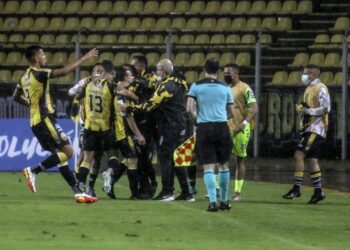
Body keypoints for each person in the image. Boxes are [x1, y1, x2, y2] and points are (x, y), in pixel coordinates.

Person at [13, 45, 98, 203]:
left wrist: (32, 106)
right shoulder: (40, 73)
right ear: (35, 59)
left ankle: (78, 192)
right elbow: (64, 71)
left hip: (35, 121)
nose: (45, 57)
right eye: (43, 55)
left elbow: (15, 97)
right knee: (68, 152)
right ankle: (33, 170)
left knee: (60, 157)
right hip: (45, 119)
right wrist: (85, 57)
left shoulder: (24, 77)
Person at [122, 59, 193, 201]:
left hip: (168, 126)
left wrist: (130, 108)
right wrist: (138, 81)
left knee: (164, 157)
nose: (156, 72)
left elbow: (150, 105)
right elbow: (152, 83)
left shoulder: (166, 86)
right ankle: (186, 192)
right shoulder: (180, 83)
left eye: (159, 69)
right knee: (177, 159)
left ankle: (167, 191)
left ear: (165, 71)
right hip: (181, 125)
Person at [187, 59, 235, 212]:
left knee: (208, 166)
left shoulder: (196, 86)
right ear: (218, 71)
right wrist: (222, 118)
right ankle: (225, 201)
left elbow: (189, 109)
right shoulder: (225, 87)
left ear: (204, 69)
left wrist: (198, 121)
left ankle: (213, 202)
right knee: (223, 164)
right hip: (222, 127)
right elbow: (232, 113)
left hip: (204, 127)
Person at [282, 64, 330, 204]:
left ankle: (296, 188)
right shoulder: (309, 88)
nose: (303, 76)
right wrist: (303, 108)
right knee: (312, 160)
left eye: (305, 73)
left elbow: (326, 108)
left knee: (299, 155)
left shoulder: (320, 88)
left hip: (315, 129)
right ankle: (318, 192)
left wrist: (308, 111)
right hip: (311, 128)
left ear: (313, 74)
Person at [223, 64, 258, 201]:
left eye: (228, 72)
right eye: (224, 72)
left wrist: (244, 124)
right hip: (226, 127)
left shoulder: (245, 88)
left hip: (241, 129)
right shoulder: (225, 89)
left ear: (236, 74)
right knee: (221, 159)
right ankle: (219, 189)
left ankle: (237, 192)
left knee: (239, 160)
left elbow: (254, 108)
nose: (226, 75)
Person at [130, 55, 158, 198]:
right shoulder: (134, 80)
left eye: (134, 65)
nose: (132, 68)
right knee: (140, 157)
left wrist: (136, 81)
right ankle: (147, 186)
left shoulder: (152, 77)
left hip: (150, 123)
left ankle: (148, 187)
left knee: (143, 157)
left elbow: (153, 87)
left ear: (141, 66)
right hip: (137, 121)